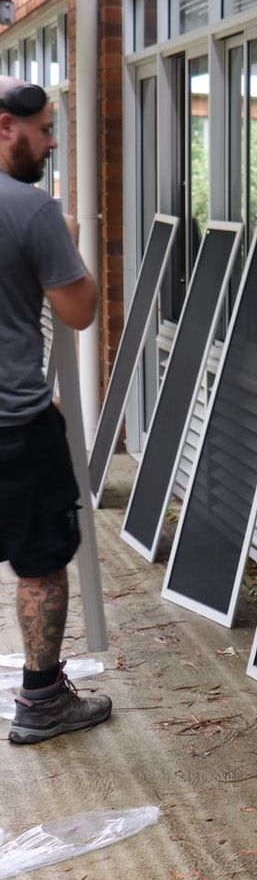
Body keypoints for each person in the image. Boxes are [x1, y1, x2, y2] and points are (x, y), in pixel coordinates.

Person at [0, 76, 108, 744]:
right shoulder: (31, 212)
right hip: (14, 427)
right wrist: (69, 239)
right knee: (40, 561)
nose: (50, 142)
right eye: (42, 130)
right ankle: (41, 703)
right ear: (4, 128)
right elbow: (80, 310)